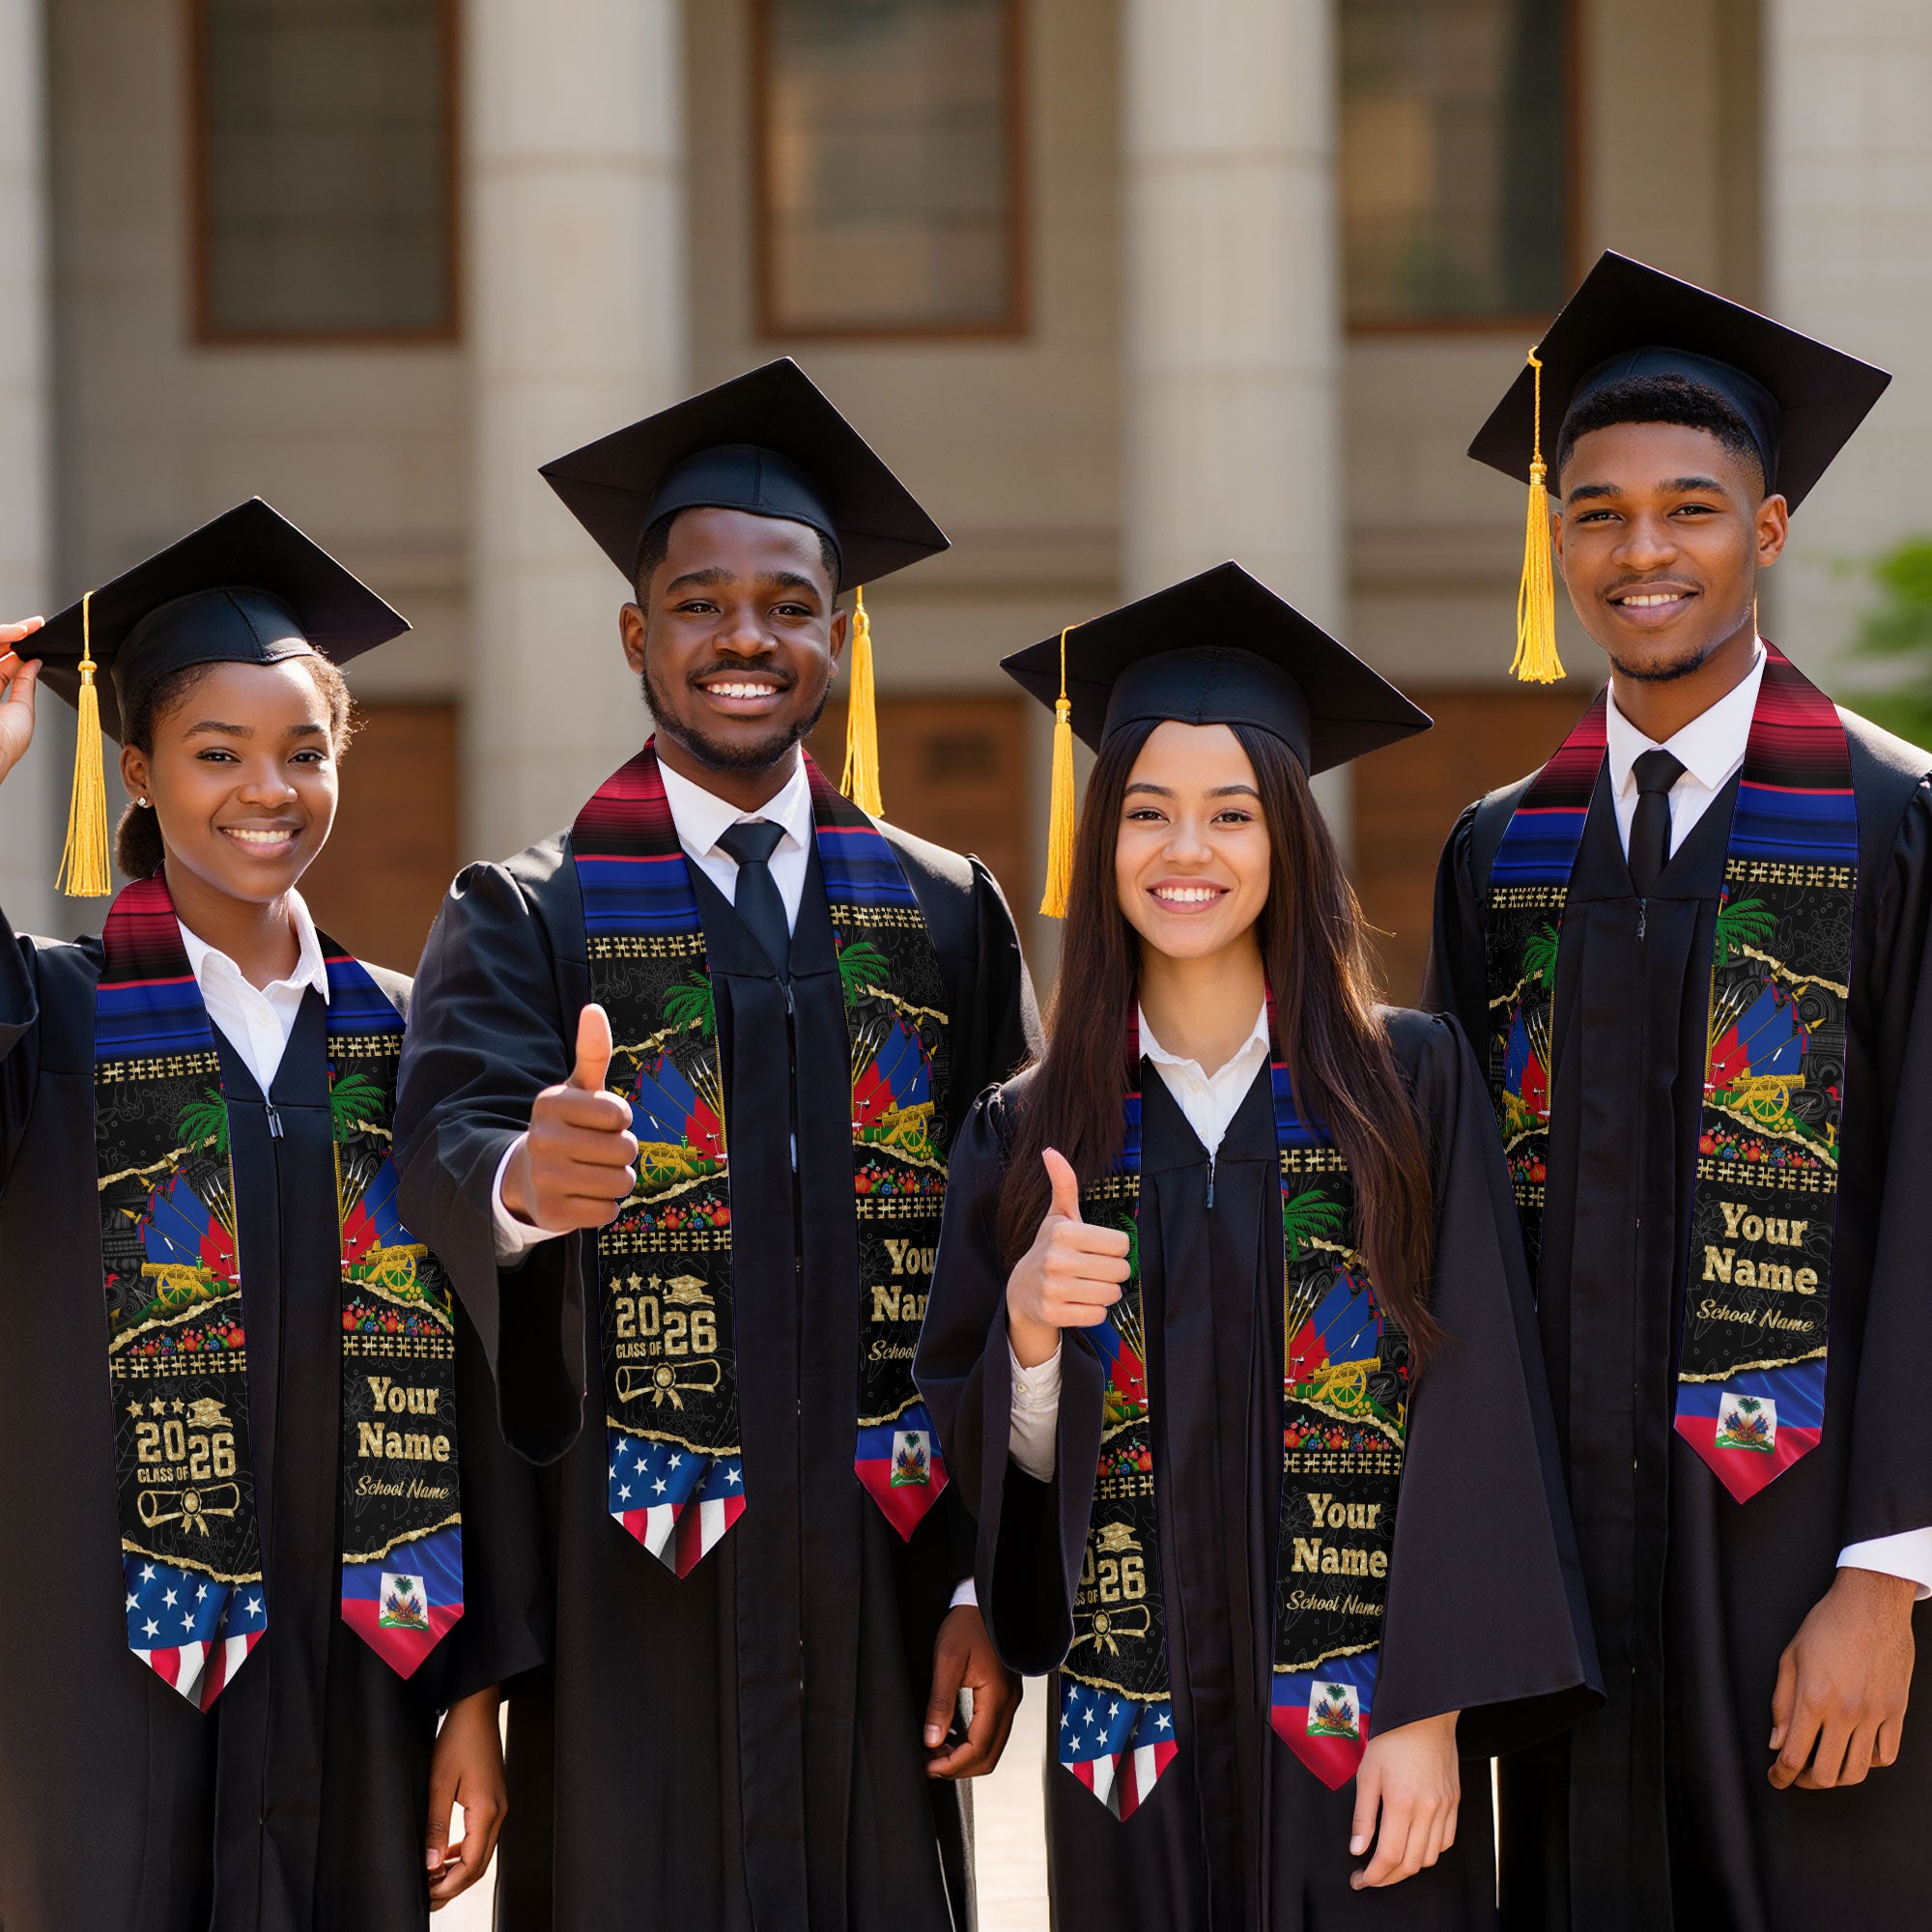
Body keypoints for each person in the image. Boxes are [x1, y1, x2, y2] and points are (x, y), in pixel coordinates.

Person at [392, 358, 1038, 1929]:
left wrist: (981, 1589)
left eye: (788, 603)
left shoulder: (943, 915)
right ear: (637, 633)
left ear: (840, 633)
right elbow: (441, 1153)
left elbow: (1015, 1259)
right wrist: (523, 1185)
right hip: (633, 1606)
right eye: (697, 603)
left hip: (884, 1587)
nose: (744, 638)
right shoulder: (528, 915)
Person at [917, 562, 1598, 1930]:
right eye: (1149, 813)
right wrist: (1033, 1341)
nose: (1188, 853)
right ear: (1100, 841)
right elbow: (991, 1473)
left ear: (1287, 839)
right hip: (1132, 1753)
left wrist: (1430, 1707)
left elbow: (1480, 1403)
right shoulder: (1031, 1127)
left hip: (1365, 1737)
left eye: (1231, 815)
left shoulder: (1411, 1089)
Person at [1426, 250, 1932, 1931]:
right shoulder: (1500, 853)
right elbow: (1452, 1236)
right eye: (1598, 511)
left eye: (1692, 508)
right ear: (1554, 539)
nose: (1643, 551)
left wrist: (1890, 1572)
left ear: (1768, 531)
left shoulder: (1896, 824)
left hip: (1805, 1555)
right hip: (1568, 1567)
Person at [0, 497, 545, 1932]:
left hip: (359, 1671)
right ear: (135, 769)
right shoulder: (51, 1017)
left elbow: (481, 1386)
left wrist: (475, 1700)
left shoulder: (409, 1041)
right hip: (91, 1683)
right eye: (217, 753)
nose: (268, 790)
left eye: (305, 753)